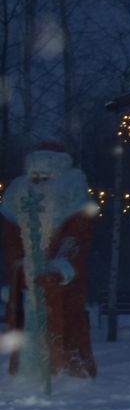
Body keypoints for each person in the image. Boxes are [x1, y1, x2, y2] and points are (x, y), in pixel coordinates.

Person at [0, 141, 97, 380]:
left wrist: (60, 267)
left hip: (62, 284)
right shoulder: (17, 193)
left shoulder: (72, 192)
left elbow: (76, 238)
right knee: (27, 327)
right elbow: (11, 239)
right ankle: (25, 374)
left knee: (65, 325)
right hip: (25, 281)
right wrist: (19, 266)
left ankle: (67, 374)